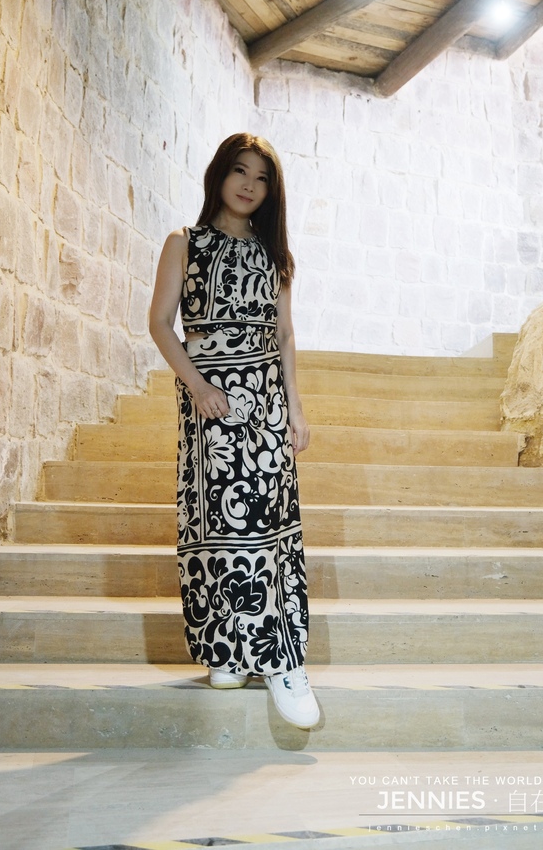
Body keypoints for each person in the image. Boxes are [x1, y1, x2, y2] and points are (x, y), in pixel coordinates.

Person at [149, 133, 319, 729]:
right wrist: (198, 387)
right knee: (217, 525)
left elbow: (285, 335)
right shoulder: (184, 242)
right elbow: (161, 324)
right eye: (239, 171)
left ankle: (282, 659)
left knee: (265, 525)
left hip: (266, 402)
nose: (249, 185)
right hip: (210, 401)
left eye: (262, 177)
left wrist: (295, 408)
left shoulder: (277, 256)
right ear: (218, 175)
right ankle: (226, 649)